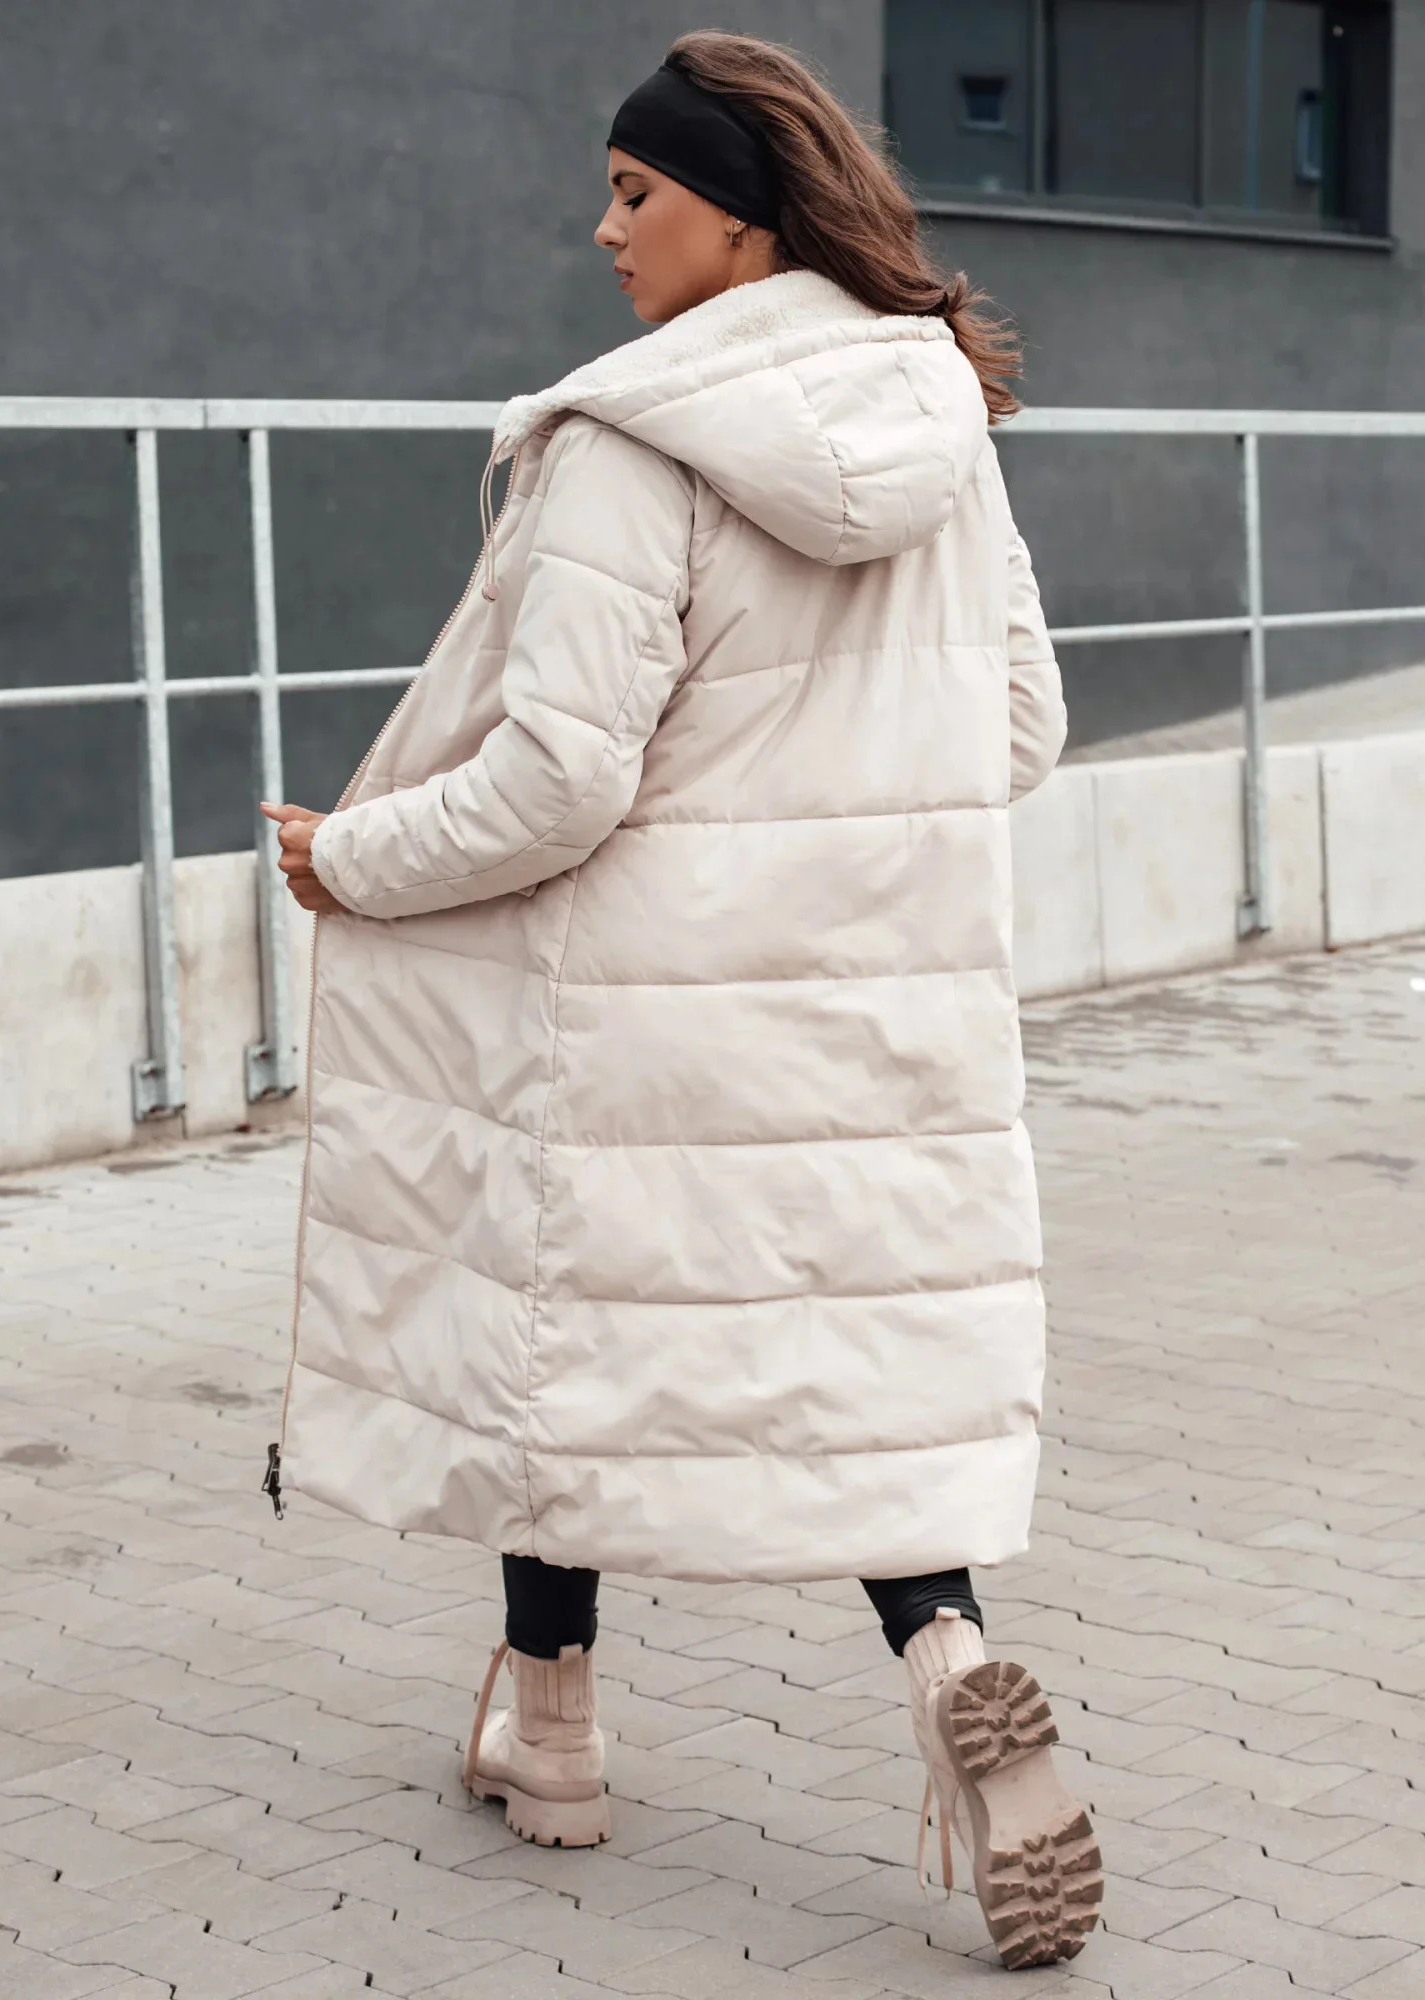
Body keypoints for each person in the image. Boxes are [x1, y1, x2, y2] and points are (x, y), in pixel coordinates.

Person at [261, 30, 1100, 1972]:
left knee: (561, 1341)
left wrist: (348, 856)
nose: (605, 229)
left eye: (635, 192)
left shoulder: (629, 442)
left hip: (640, 1015)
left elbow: (558, 784)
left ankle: (551, 1734)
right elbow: (1021, 727)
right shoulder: (946, 429)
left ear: (740, 216)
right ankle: (950, 1661)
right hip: (877, 1012)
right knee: (848, 1374)